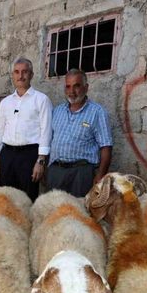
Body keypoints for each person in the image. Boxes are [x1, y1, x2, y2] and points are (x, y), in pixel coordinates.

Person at [0, 57, 52, 201]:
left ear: (31, 74)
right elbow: (0, 130)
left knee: (28, 197)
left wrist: (40, 161)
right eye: (17, 72)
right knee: (6, 196)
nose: (21, 76)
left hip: (29, 156)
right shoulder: (6, 102)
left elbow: (46, 131)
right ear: (13, 75)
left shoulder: (41, 100)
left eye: (25, 72)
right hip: (7, 155)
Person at [47, 69, 112, 197]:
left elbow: (106, 147)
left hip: (81, 174)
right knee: (53, 212)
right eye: (68, 86)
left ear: (86, 87)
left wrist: (100, 175)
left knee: (79, 212)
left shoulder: (97, 112)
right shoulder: (57, 111)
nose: (72, 91)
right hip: (56, 171)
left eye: (77, 86)